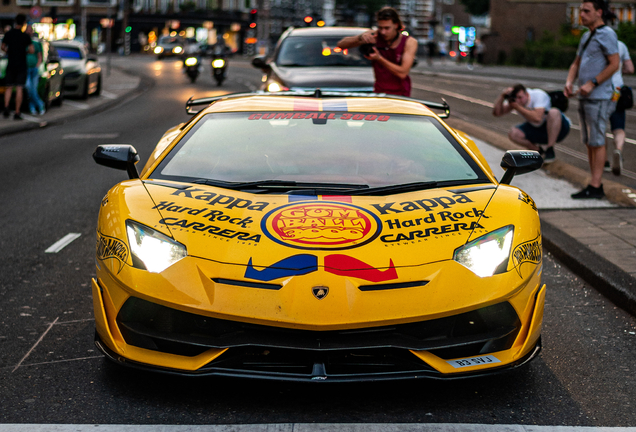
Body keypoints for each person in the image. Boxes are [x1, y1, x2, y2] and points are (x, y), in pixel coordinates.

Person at [564, 0, 620, 199]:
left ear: (599, 12)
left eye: (586, 11)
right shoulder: (587, 36)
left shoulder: (607, 34)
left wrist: (593, 83)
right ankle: (593, 182)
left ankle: (596, 186)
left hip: (598, 97)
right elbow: (576, 63)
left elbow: (614, 64)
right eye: (581, 11)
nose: (582, 15)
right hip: (586, 97)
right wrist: (570, 82)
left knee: (597, 141)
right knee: (589, 141)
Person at [337, 7, 417, 97]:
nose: (383, 32)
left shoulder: (409, 42)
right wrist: (360, 38)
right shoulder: (375, 36)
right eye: (380, 28)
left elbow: (402, 73)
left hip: (401, 93)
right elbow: (341, 44)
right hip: (379, 91)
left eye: (387, 28)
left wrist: (379, 58)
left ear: (396, 25)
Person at [492, 84, 571, 163]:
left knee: (554, 112)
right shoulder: (515, 102)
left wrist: (517, 107)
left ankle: (550, 149)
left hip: (560, 129)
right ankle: (538, 151)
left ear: (526, 94)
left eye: (520, 97)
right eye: (516, 98)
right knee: (513, 133)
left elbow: (537, 118)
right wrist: (502, 96)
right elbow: (497, 113)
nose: (519, 100)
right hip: (538, 130)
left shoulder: (538, 95)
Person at [605, 39, 633, 175]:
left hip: (601, 91)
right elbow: (630, 68)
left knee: (599, 126)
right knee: (618, 127)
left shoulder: (594, 41)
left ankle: (603, 160)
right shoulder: (621, 45)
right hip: (617, 90)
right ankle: (618, 150)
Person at [1, 14, 34, 120]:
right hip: (21, 65)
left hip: (11, 64)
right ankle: (17, 111)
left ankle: (6, 107)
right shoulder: (25, 36)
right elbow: (32, 50)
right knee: (19, 87)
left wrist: (9, 51)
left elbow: (2, 47)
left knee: (9, 87)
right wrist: (25, 51)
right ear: (24, 23)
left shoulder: (9, 34)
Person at [25, 25, 45, 116]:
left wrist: (37, 66)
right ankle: (40, 104)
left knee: (33, 88)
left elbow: (40, 56)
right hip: (26, 69)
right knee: (29, 87)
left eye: (30, 30)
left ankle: (32, 107)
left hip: (34, 69)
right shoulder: (24, 43)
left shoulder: (36, 43)